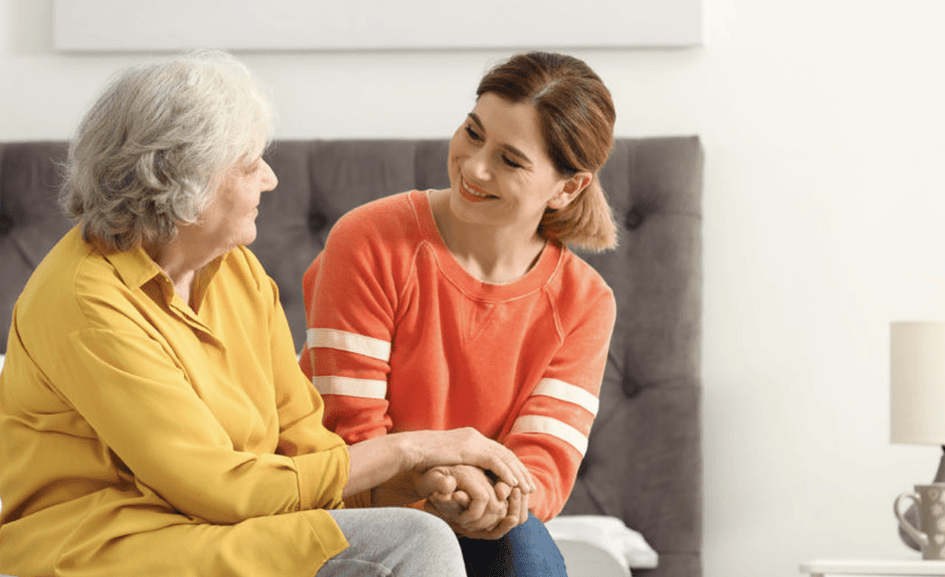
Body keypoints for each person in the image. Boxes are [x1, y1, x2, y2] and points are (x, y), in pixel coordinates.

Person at [0, 50, 535, 577]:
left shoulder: (238, 270)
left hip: (222, 527)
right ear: (187, 183)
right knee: (412, 542)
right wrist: (412, 448)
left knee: (478, 537)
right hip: (106, 545)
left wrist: (413, 481)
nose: (271, 179)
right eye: (251, 164)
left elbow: (307, 449)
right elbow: (217, 488)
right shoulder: (88, 300)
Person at [300, 51, 618, 576]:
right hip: (351, 513)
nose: (474, 167)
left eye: (510, 160)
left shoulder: (585, 302)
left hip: (481, 522)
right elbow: (347, 440)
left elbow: (541, 464)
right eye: (473, 133)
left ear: (568, 188)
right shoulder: (369, 241)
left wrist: (484, 500)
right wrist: (437, 481)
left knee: (522, 541)